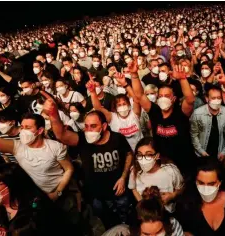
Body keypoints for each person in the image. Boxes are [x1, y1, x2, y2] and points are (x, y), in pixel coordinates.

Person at [42, 92, 133, 229]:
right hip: (96, 194)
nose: (88, 130)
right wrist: (53, 114)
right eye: (86, 126)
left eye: (93, 126)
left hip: (119, 192)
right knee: (105, 220)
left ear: (103, 126)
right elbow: (61, 135)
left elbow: (129, 154)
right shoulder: (83, 140)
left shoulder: (117, 138)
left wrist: (123, 177)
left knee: (126, 218)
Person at [131, 61, 196, 175]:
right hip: (162, 163)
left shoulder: (181, 112)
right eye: (160, 96)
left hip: (183, 163)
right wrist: (134, 75)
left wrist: (182, 79)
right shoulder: (154, 111)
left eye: (167, 96)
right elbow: (140, 95)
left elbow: (190, 99)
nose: (163, 98)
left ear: (174, 99)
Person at [175, 159, 225, 236]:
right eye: (201, 183)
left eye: (211, 184)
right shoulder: (186, 204)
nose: (205, 188)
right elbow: (185, 230)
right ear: (195, 181)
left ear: (220, 182)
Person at [88, 73, 143, 151]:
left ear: (129, 105)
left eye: (124, 104)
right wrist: (93, 92)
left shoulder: (134, 113)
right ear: (116, 108)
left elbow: (136, 99)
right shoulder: (112, 117)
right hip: (123, 154)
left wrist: (125, 84)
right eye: (119, 105)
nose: (122, 106)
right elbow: (98, 108)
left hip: (140, 151)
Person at [129, 137, 183, 213]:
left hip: (169, 215)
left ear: (157, 156)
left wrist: (172, 195)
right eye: (140, 155)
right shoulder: (135, 172)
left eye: (148, 155)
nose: (143, 159)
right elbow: (134, 190)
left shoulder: (170, 171)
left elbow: (181, 188)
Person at [190, 85, 225, 160]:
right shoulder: (197, 113)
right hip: (202, 153)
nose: (216, 100)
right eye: (213, 98)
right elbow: (194, 134)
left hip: (219, 153)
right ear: (207, 99)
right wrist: (201, 151)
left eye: (219, 98)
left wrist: (224, 150)